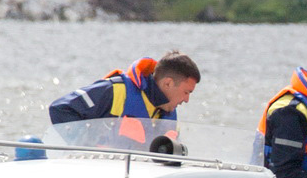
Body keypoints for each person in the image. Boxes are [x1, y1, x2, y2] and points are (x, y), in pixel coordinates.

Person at [49, 51, 200, 146]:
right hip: (101, 176)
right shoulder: (116, 91)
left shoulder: (169, 114)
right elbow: (61, 108)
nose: (186, 100)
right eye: (186, 92)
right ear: (168, 83)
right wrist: (87, 148)